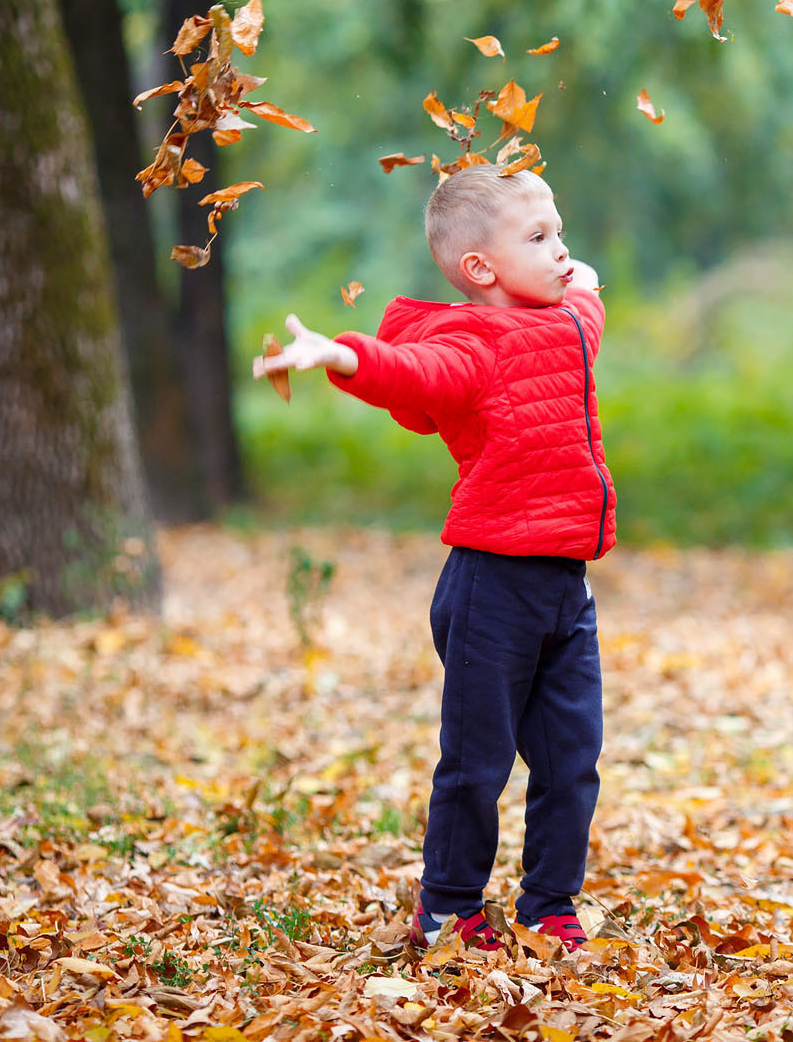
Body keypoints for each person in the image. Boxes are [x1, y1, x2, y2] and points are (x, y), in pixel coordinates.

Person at [255, 164, 615, 955]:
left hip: (565, 585)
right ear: (479, 269)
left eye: (559, 232)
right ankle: (449, 906)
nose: (561, 251)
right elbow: (414, 372)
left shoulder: (571, 321)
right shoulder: (473, 346)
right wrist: (342, 355)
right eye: (538, 237)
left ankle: (549, 905)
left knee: (572, 759)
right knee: (477, 761)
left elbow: (587, 296)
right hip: (492, 586)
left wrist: (576, 272)